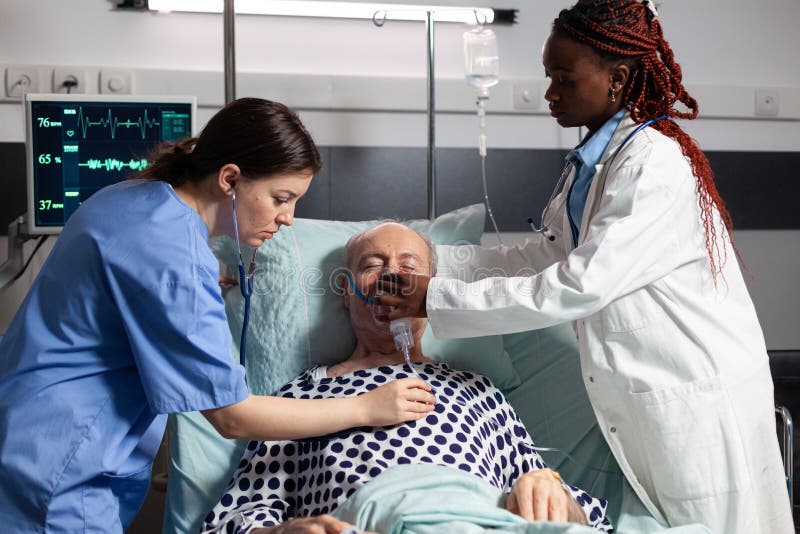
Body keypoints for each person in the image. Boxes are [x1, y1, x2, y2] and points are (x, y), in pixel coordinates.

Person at [375, 2, 794, 533]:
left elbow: (577, 285)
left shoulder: (653, 166)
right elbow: (541, 258)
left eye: (563, 79)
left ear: (617, 79)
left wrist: (433, 299)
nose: (549, 93)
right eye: (549, 77)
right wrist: (436, 261)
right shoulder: (593, 167)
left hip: (697, 397)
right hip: (655, 405)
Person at [0, 98, 434, 532]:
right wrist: (366, 408)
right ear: (230, 179)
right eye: (281, 198)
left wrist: (198, 281)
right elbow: (231, 417)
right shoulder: (176, 262)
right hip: (59, 475)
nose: (288, 219)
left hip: (24, 431)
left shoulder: (130, 200)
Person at [201, 222, 612, 534]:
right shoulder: (300, 397)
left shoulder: (478, 391)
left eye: (408, 268)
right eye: (373, 266)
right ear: (346, 292)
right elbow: (240, 512)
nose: (390, 277)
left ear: (431, 291)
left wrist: (551, 490)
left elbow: (568, 510)